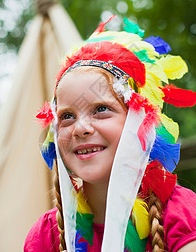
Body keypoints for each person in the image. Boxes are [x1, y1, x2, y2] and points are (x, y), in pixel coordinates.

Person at [24, 17, 196, 252]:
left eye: (101, 109)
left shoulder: (182, 214)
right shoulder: (47, 234)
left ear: (138, 122)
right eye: (67, 116)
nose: (80, 128)